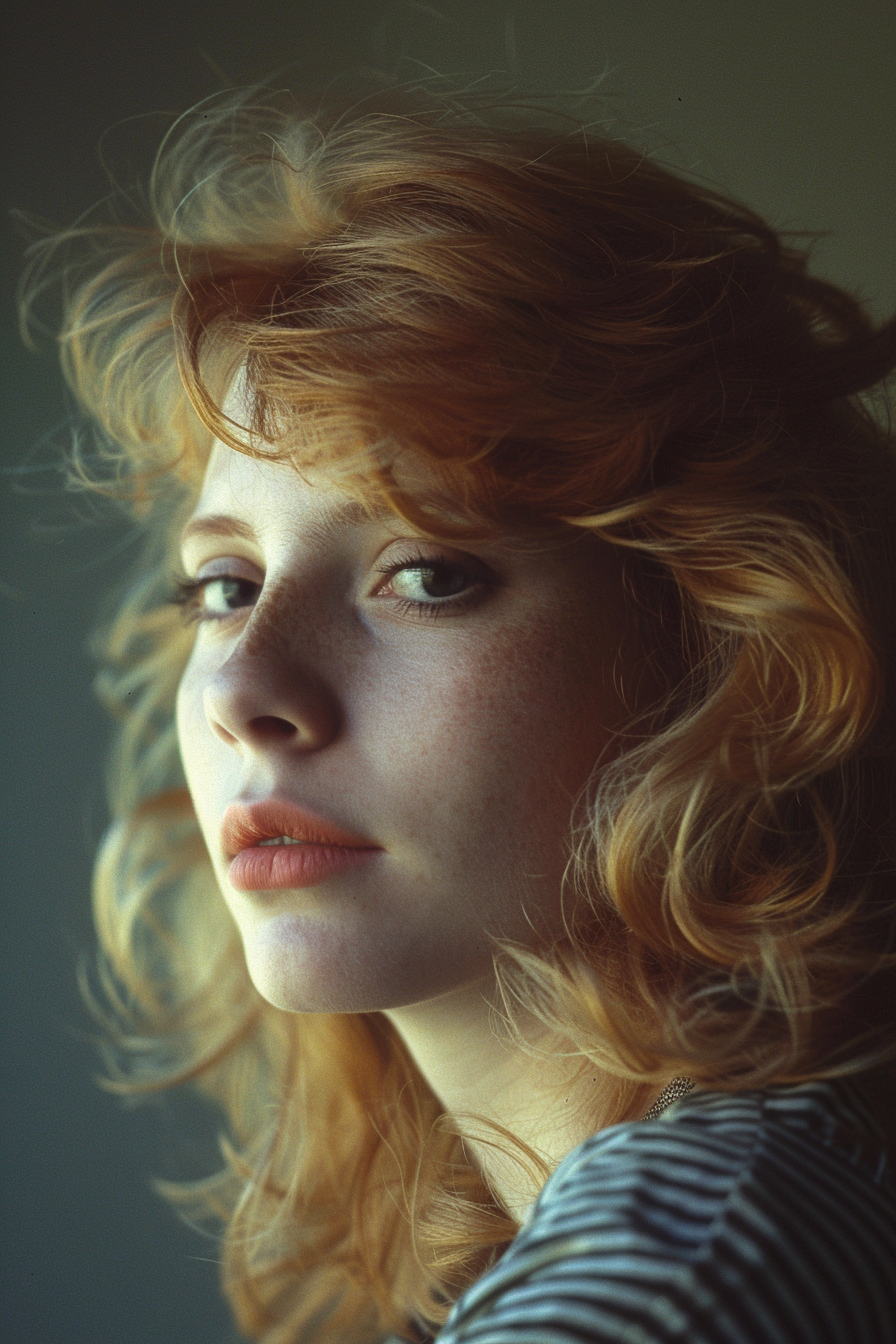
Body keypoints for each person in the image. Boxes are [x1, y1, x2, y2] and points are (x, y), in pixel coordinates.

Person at [20, 75, 896, 1344]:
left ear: (721, 656)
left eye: (427, 574)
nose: (244, 693)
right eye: (224, 584)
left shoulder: (679, 1278)